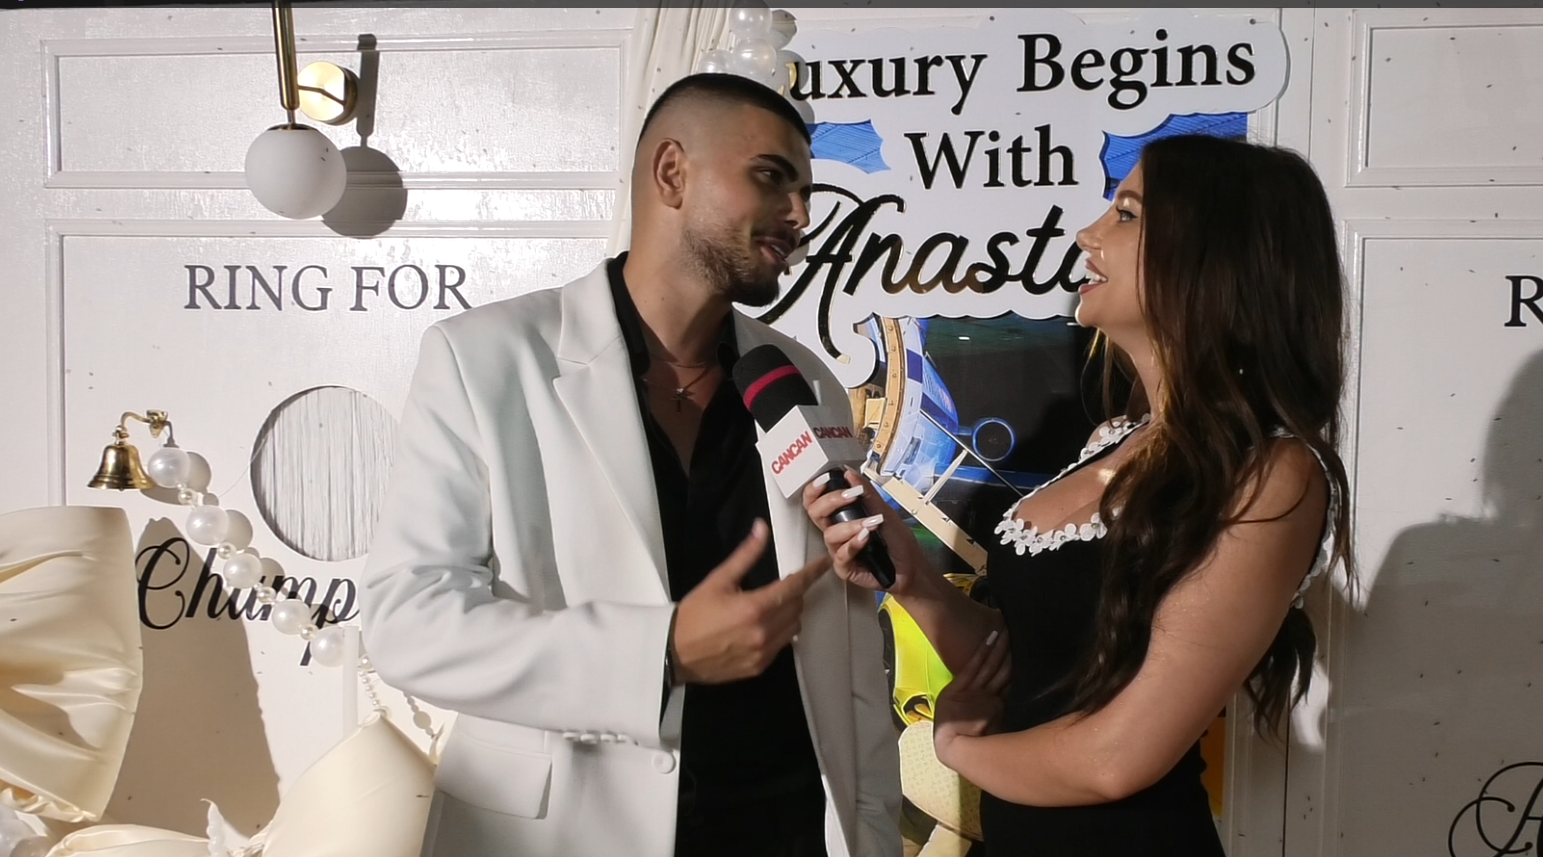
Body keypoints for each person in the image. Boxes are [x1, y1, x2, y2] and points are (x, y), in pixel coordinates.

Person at [361, 73, 901, 857]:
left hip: (782, 828)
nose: (800, 215)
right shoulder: (483, 358)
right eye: (771, 177)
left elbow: (848, 645)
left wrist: (871, 833)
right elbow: (408, 622)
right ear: (671, 172)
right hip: (557, 838)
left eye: (806, 191)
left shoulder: (804, 379)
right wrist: (663, 651)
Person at [803, 134, 1352, 855]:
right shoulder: (1111, 439)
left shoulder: (1273, 473)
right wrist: (909, 576)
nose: (1087, 235)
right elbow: (1032, 666)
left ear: (1216, 257)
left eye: (1127, 213)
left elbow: (1117, 757)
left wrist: (959, 749)